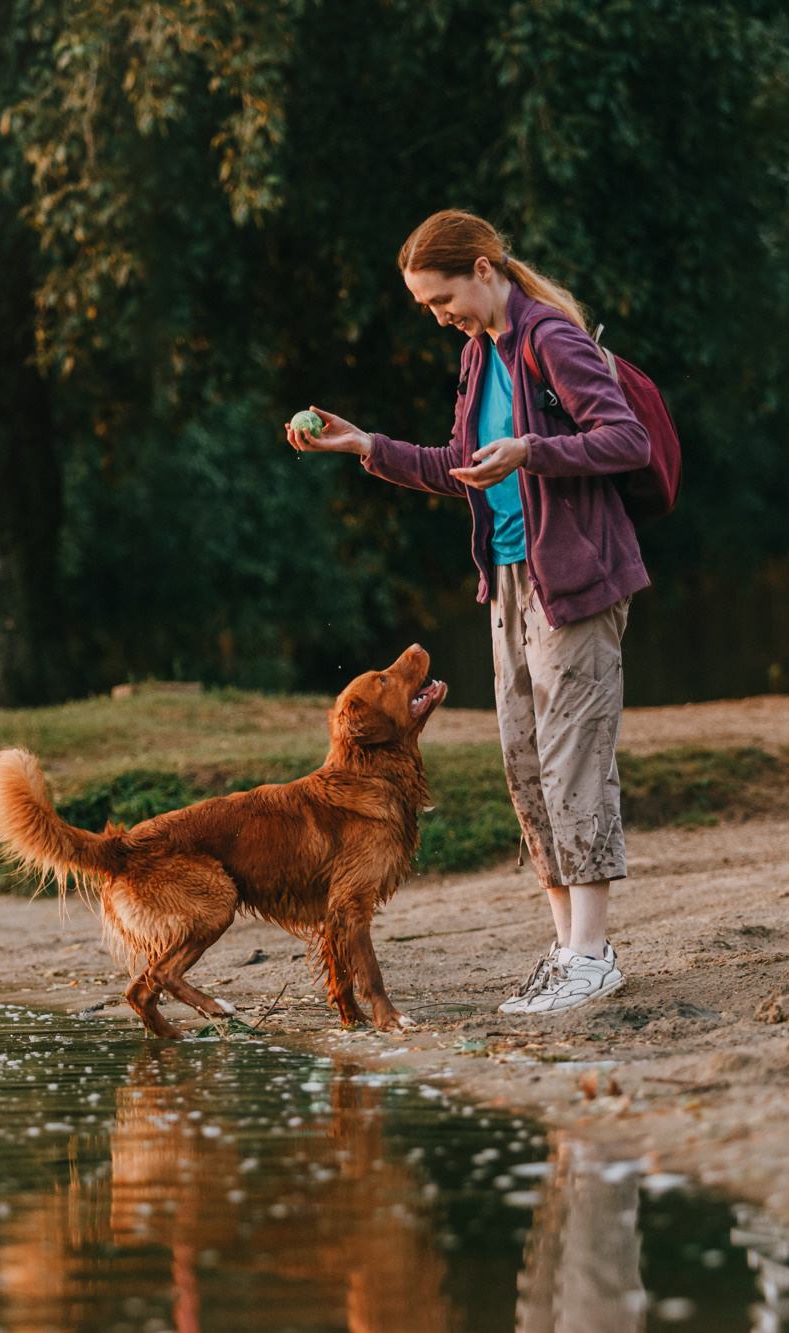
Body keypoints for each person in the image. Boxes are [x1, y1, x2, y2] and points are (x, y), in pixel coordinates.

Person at [284, 209, 651, 1016]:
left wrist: (534, 450)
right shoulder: (477, 357)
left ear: (484, 269)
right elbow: (462, 469)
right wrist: (363, 446)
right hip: (510, 579)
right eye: (427, 304)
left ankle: (594, 954)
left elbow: (627, 441)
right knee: (525, 762)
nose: (437, 313)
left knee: (572, 757)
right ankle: (566, 951)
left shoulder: (548, 338)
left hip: (578, 580)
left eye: (441, 297)